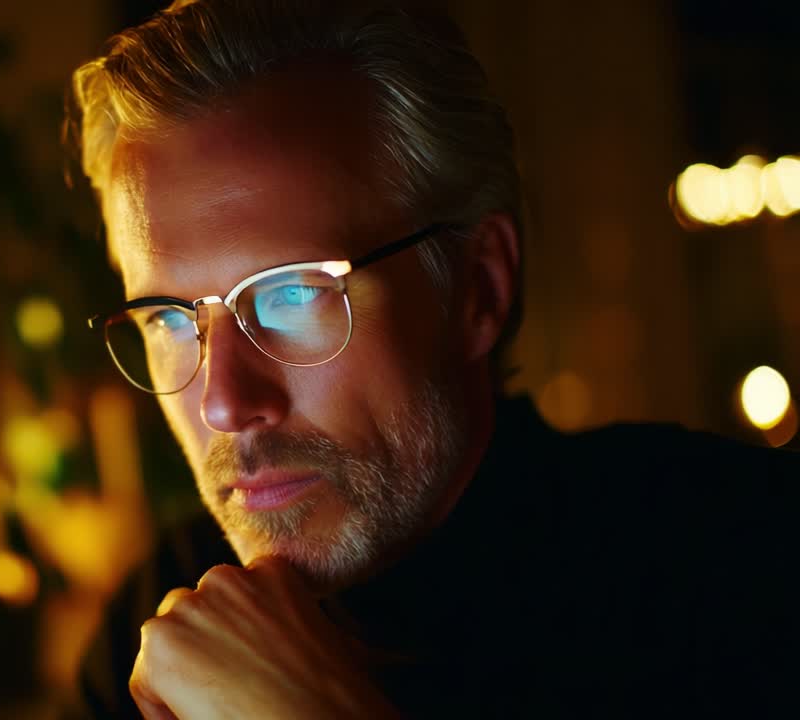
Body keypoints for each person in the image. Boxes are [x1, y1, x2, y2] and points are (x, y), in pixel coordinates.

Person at [64, 1, 800, 717]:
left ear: (480, 287)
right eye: (169, 319)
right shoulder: (152, 624)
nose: (223, 402)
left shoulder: (746, 560)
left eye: (292, 294)